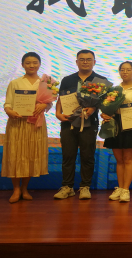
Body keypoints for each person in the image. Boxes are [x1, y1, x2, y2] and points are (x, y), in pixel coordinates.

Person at [54, 50, 108, 200]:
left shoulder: (100, 80)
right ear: (76, 62)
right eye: (82, 59)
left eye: (88, 59)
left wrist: (94, 108)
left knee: (87, 155)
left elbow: (104, 102)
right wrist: (58, 113)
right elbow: (61, 99)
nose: (85, 62)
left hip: (89, 123)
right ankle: (67, 187)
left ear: (94, 62)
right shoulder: (68, 80)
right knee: (68, 155)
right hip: (69, 123)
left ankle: (85, 187)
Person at [2, 52, 50, 203]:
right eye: (28, 63)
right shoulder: (15, 83)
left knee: (30, 155)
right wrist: (9, 111)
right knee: (16, 155)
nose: (31, 65)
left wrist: (45, 105)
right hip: (17, 123)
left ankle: (25, 188)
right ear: (22, 65)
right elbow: (8, 104)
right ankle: (16, 189)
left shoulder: (46, 82)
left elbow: (49, 102)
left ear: (39, 64)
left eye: (35, 62)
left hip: (35, 124)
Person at [101, 61, 132, 203]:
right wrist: (105, 114)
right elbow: (108, 107)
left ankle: (126, 189)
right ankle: (119, 188)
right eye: (122, 70)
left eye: (128, 70)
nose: (125, 72)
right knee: (119, 160)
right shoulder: (114, 90)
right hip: (115, 124)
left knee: (128, 159)